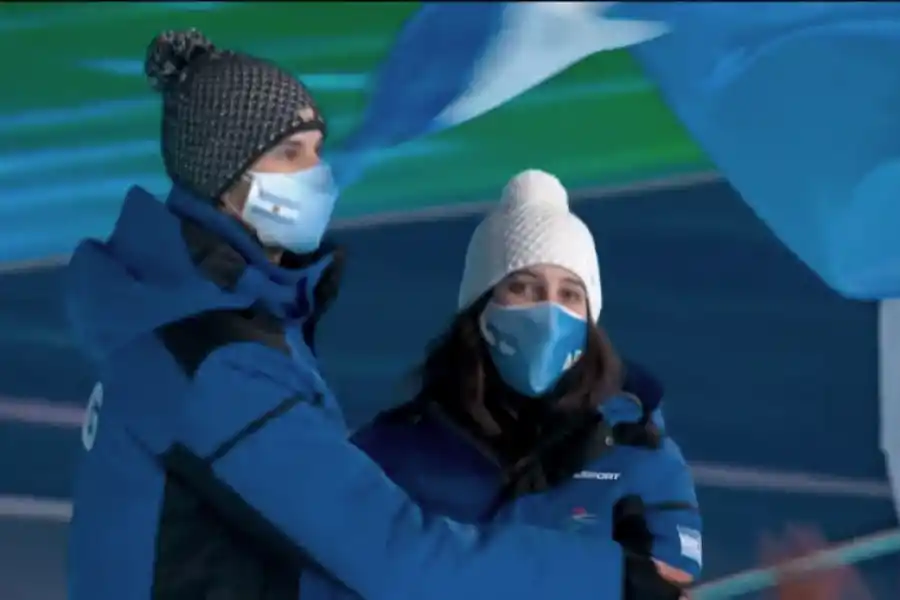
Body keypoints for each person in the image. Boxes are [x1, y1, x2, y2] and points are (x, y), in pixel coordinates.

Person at [63, 29, 687, 600]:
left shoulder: (201, 330)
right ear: (226, 176)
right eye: (289, 154)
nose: (317, 173)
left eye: (316, 149)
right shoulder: (218, 362)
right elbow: (394, 556)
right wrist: (606, 578)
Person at [353, 170, 702, 585]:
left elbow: (670, 583)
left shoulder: (639, 451)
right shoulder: (391, 451)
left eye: (570, 294)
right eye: (524, 288)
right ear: (480, 307)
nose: (549, 313)